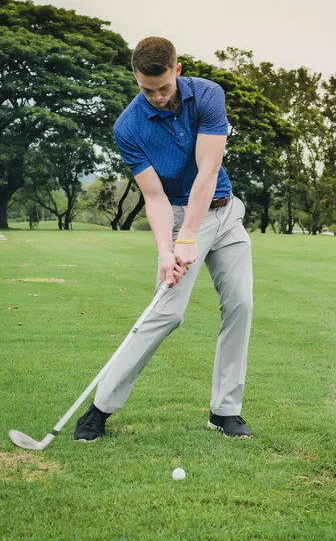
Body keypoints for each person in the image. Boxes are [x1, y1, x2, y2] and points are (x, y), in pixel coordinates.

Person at [73, 37, 253, 441]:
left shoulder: (208, 96)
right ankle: (100, 408)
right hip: (176, 214)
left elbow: (208, 171)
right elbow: (153, 197)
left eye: (163, 87)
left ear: (178, 70)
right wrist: (165, 250)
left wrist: (188, 238)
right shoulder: (128, 127)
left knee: (241, 304)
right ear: (137, 79)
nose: (155, 97)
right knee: (167, 312)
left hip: (224, 212)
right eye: (146, 89)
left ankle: (225, 412)